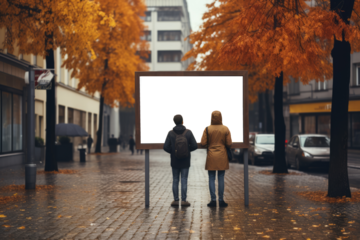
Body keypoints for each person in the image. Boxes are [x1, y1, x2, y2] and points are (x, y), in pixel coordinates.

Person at [200, 108, 233, 208]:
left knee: (211, 178)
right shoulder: (226, 127)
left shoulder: (207, 128)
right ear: (220, 116)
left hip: (211, 155)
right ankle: (221, 200)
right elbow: (229, 143)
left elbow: (203, 143)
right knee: (221, 177)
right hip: (222, 155)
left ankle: (213, 200)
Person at [163, 112, 198, 207]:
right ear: (183, 121)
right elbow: (195, 145)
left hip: (175, 160)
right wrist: (186, 150)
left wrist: (174, 152)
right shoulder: (189, 131)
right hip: (185, 160)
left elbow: (165, 146)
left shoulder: (170, 132)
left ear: (173, 121)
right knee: (184, 179)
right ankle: (183, 200)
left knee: (175, 179)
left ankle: (175, 200)